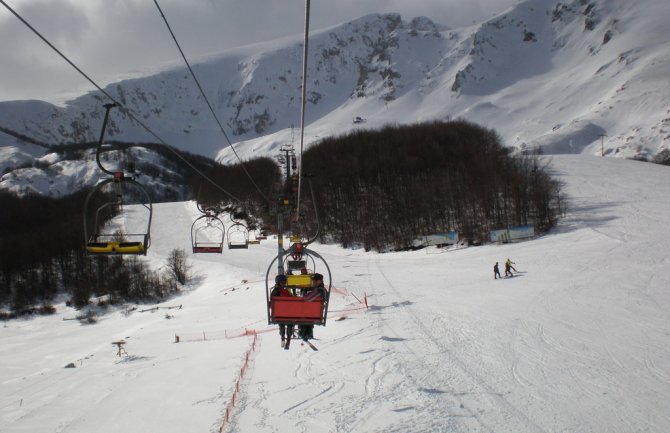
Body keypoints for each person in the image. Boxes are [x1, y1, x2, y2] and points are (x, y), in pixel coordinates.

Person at [298, 273, 327, 340]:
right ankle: (307, 333)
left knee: (301, 313)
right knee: (306, 314)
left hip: (312, 313)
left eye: (314, 281)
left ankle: (305, 333)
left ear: (319, 281)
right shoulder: (320, 289)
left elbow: (308, 298)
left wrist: (304, 294)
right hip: (314, 312)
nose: (312, 282)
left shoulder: (320, 290)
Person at [270, 274, 294, 348]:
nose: (284, 284)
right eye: (283, 282)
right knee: (289, 323)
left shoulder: (274, 291)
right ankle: (287, 340)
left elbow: (272, 302)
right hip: (287, 313)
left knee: (282, 324)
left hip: (279, 314)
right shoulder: (283, 291)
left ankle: (283, 337)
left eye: (285, 282)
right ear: (279, 282)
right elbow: (290, 299)